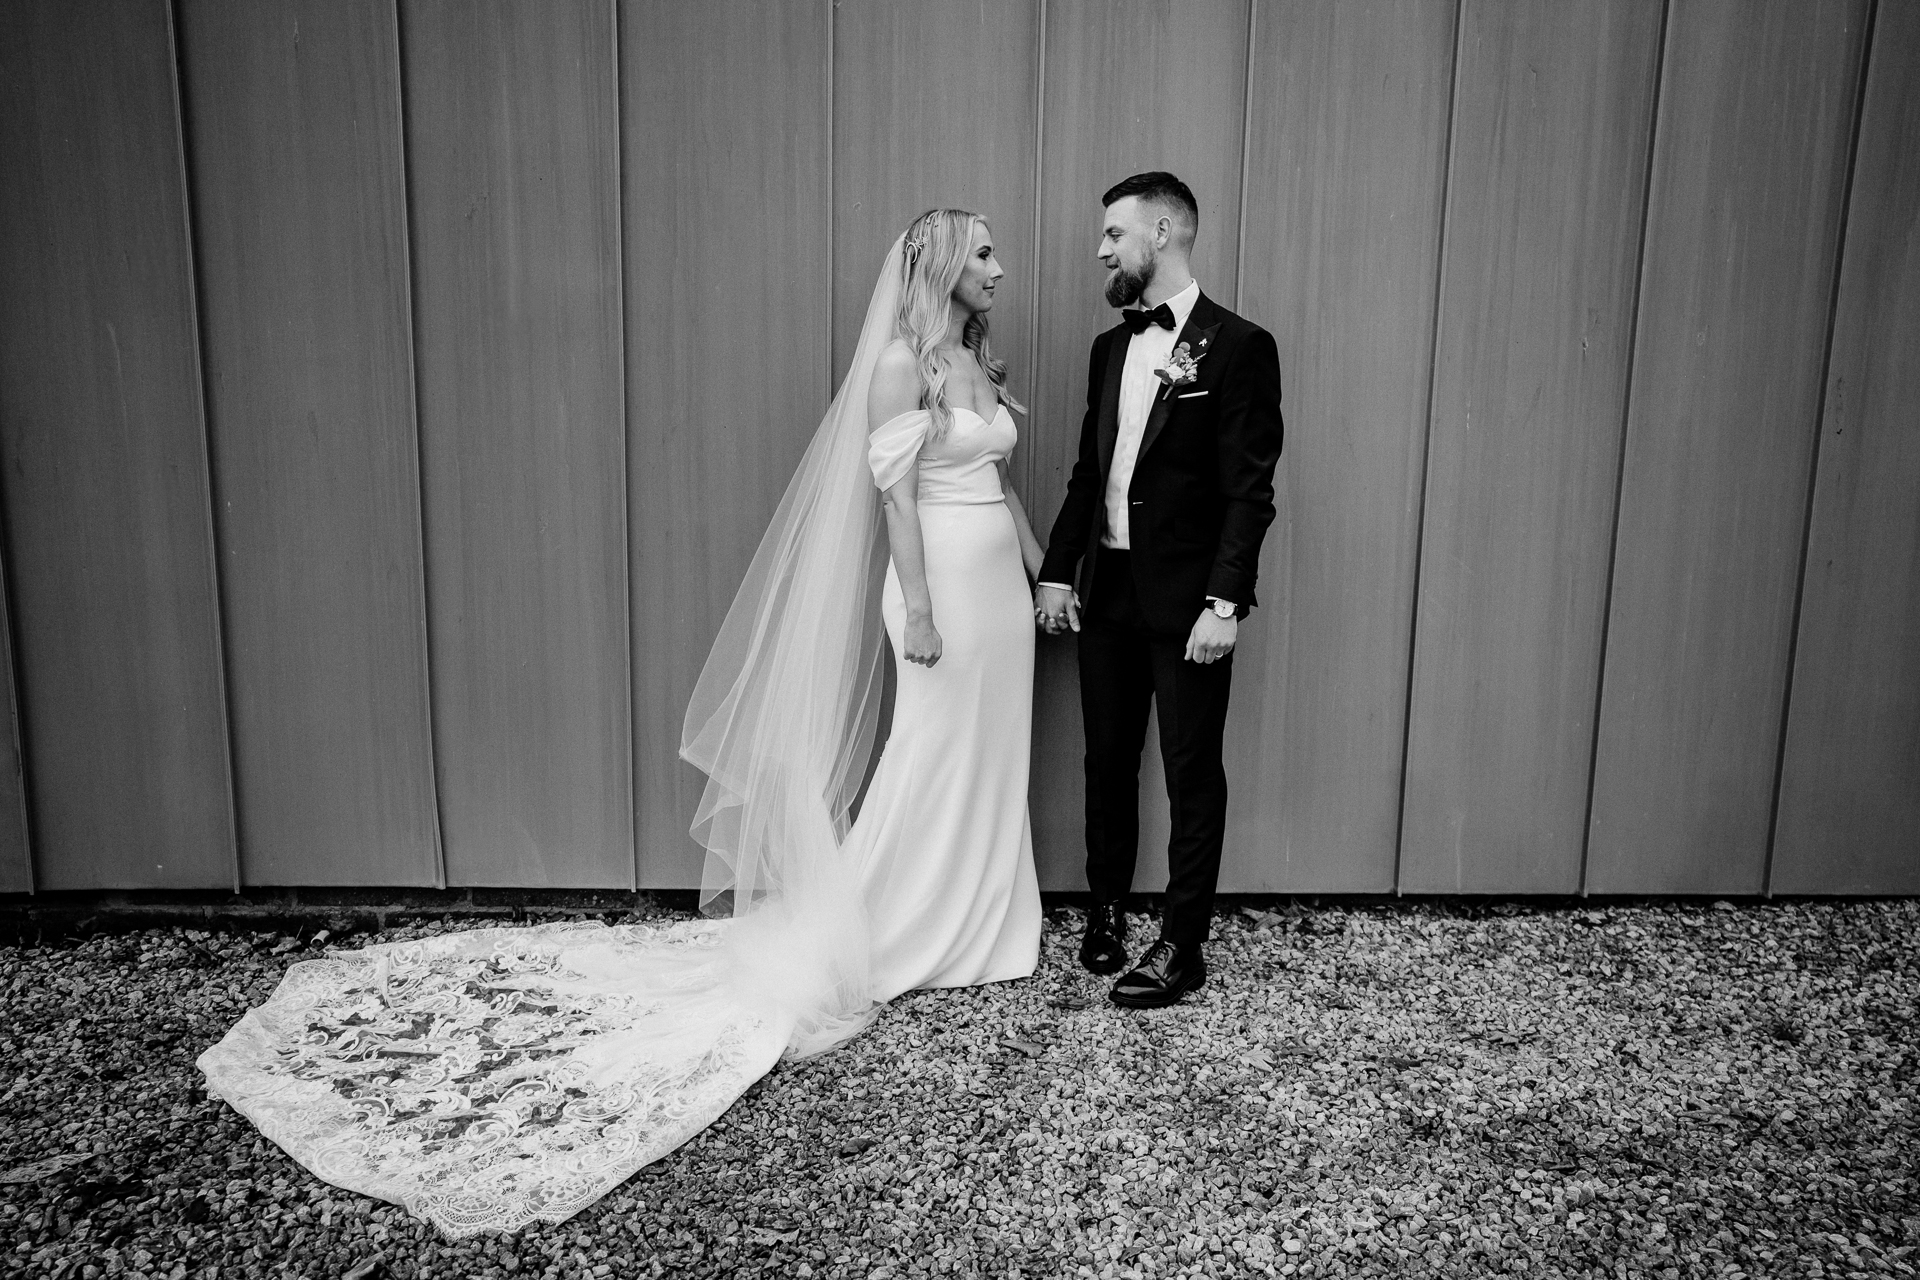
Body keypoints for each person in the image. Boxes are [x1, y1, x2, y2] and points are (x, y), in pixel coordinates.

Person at [196, 210, 1044, 1237]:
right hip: (940, 584)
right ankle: (904, 922)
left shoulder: (972, 357)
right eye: (986, 252)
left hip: (1001, 590)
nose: (1002, 266)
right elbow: (900, 502)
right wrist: (914, 605)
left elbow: (997, 480)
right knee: (932, 753)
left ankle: (987, 918)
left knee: (992, 755)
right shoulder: (903, 365)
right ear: (947, 266)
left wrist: (1045, 574)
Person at [1036, 172, 1285, 1009]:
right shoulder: (1111, 347)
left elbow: (1250, 492)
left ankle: (1183, 941)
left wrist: (1224, 603)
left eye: (1115, 233)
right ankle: (1104, 910)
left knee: (1189, 771)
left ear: (1166, 230)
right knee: (1106, 761)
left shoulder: (1239, 345)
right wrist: (1060, 571)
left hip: (1187, 609)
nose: (1102, 249)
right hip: (1106, 596)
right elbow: (1088, 473)